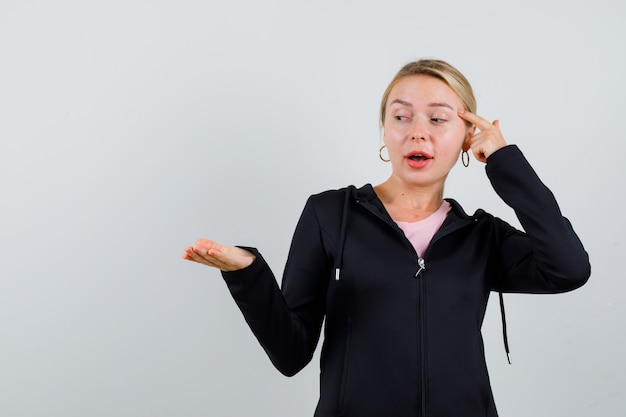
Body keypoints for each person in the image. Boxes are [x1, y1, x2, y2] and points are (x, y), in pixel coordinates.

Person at [182, 59, 590, 417]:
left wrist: (505, 162)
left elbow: (569, 269)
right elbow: (290, 354)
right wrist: (248, 272)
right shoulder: (330, 215)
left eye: (437, 118)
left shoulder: (483, 238)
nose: (417, 132)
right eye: (401, 116)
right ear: (384, 131)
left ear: (467, 135)